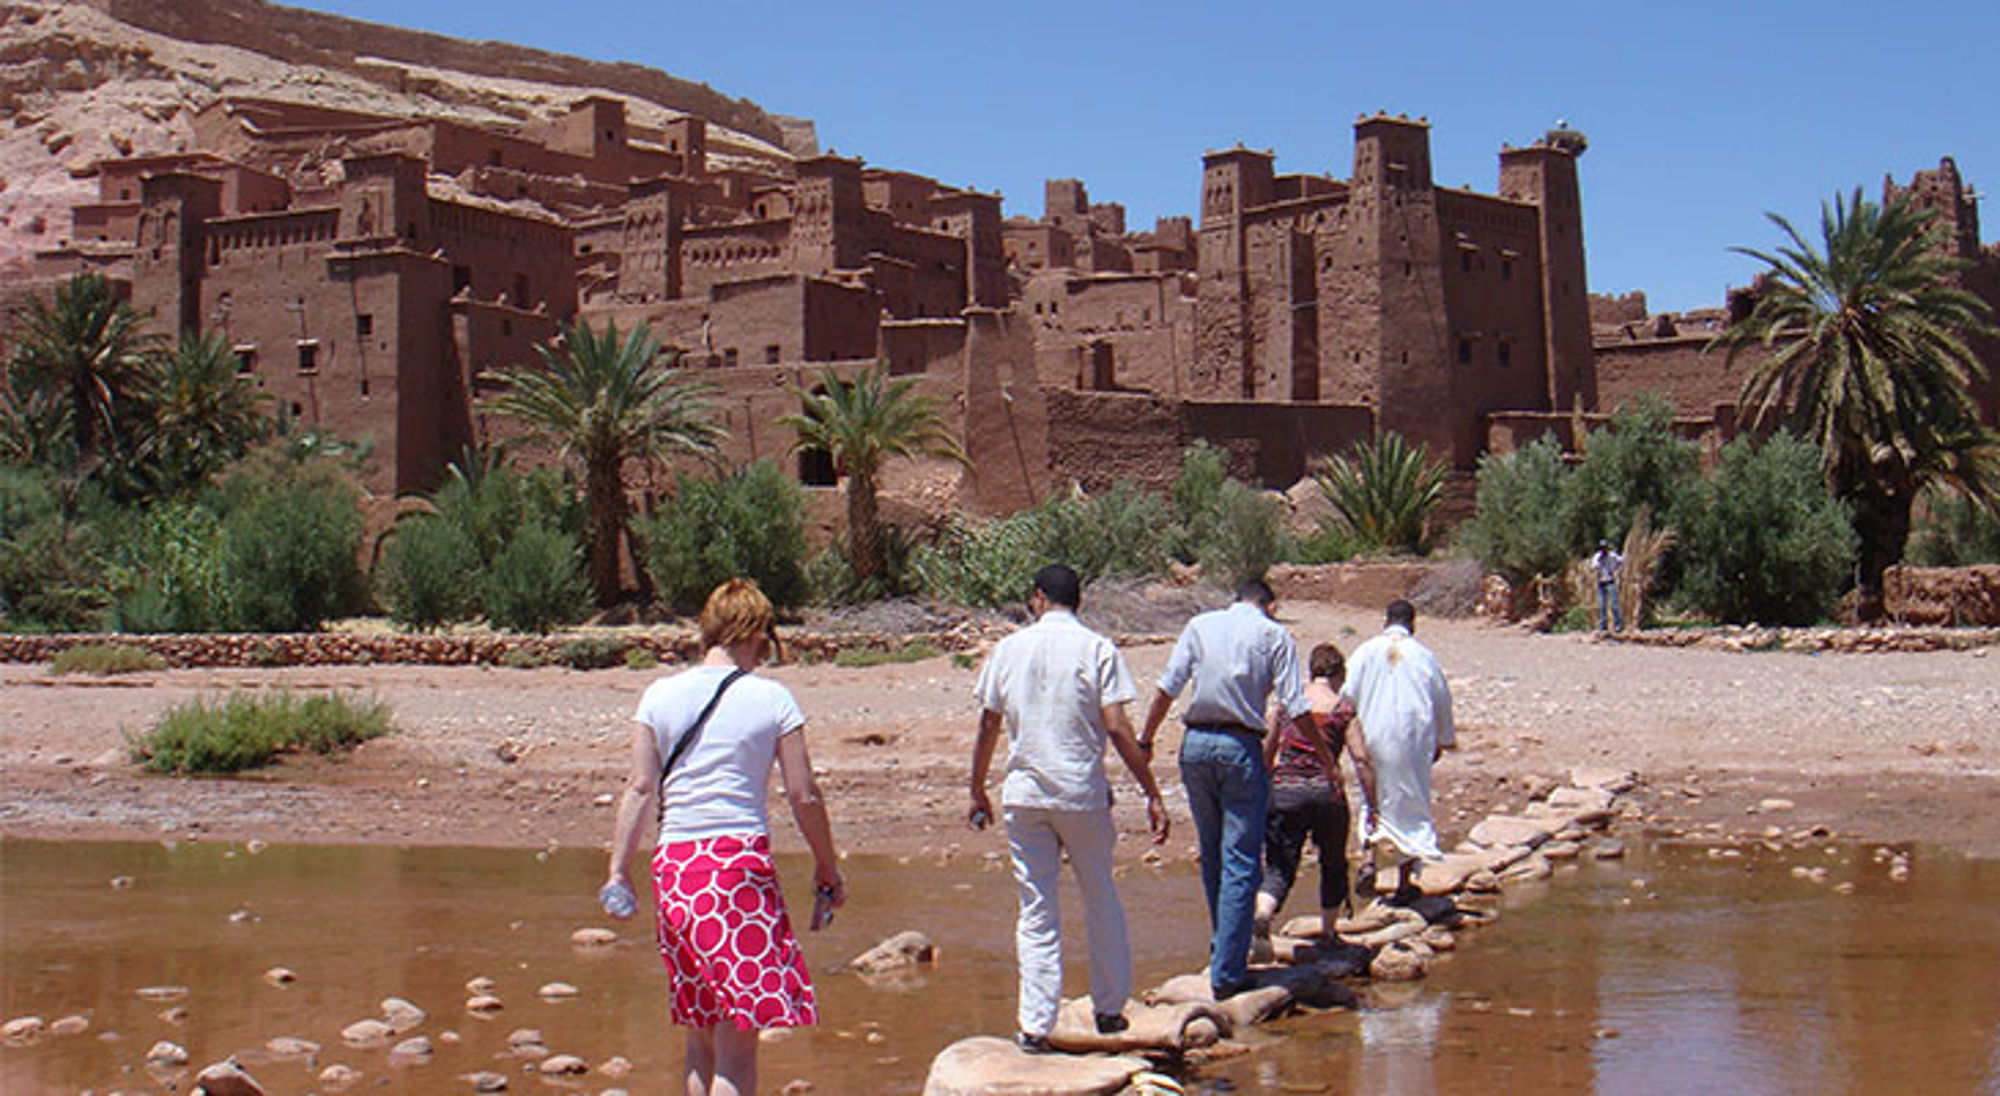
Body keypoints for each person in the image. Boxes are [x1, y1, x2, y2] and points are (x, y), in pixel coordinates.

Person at [604, 578, 843, 1096]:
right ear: (756, 632)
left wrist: (618, 871)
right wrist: (828, 867)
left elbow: (641, 787)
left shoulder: (658, 695)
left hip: (676, 872)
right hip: (738, 870)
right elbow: (803, 795)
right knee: (738, 1049)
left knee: (700, 1038)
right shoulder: (772, 698)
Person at [969, 564, 1169, 1053]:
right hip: (1081, 792)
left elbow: (988, 724)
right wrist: (1151, 790)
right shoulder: (1098, 648)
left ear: (1037, 598)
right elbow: (1118, 727)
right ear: (1078, 601)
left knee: (1036, 908)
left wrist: (977, 788)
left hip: (1025, 795)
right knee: (1100, 895)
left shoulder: (1008, 649)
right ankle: (1108, 1008)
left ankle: (1035, 1025)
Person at [1138, 579, 1329, 1000]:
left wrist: (1146, 739)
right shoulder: (1274, 634)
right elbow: (1294, 705)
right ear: (1269, 605)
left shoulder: (1201, 625)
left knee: (1213, 853)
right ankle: (1228, 971)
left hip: (1196, 746)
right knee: (1242, 859)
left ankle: (1223, 945)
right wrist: (1326, 759)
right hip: (1240, 746)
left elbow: (1168, 687)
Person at [1253, 642, 1376, 949]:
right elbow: (1360, 758)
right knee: (1333, 862)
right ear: (1340, 674)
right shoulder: (1342, 708)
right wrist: (1372, 804)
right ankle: (1329, 931)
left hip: (1285, 793)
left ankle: (1264, 913)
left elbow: (1266, 755)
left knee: (1280, 864)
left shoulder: (1286, 704)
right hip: (1326, 794)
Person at [1341, 599, 1454, 904]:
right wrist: (1444, 738)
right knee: (1410, 800)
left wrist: (1346, 735)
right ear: (1412, 623)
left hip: (1373, 734)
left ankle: (1368, 859)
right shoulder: (1424, 656)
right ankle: (1404, 881)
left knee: (1371, 796)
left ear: (1385, 620)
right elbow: (1441, 698)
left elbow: (1347, 695)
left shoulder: (1364, 652)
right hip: (1412, 738)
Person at [1590, 538, 1625, 632]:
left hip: (1610, 581)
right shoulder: (1597, 557)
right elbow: (1593, 567)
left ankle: (1618, 626)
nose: (1603, 550)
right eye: (1602, 548)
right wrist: (1599, 563)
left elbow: (1621, 560)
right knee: (1602, 606)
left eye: (1605, 548)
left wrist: (1616, 568)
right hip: (1601, 582)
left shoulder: (1612, 555)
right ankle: (1603, 626)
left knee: (1614, 604)